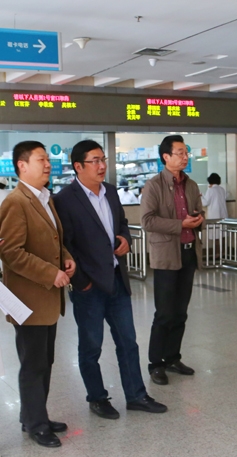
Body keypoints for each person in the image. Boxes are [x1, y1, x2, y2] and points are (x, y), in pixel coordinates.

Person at [53, 140, 167, 420]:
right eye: (94, 161)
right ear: (78, 166)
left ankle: (136, 395)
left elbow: (122, 225)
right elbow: (65, 245)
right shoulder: (64, 200)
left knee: (128, 341)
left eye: (103, 159)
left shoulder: (112, 192)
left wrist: (126, 239)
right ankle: (97, 397)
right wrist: (82, 282)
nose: (101, 165)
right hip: (89, 286)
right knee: (91, 346)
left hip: (117, 279)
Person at [0, 141, 76, 448]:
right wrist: (50, 273)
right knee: (33, 364)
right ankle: (36, 424)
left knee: (45, 361)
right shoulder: (15, 202)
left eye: (48, 159)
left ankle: (33, 415)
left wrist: (66, 257)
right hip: (29, 300)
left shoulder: (45, 198)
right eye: (41, 159)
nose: (48, 164)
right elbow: (10, 252)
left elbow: (53, 241)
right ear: (22, 165)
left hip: (47, 299)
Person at [141, 135, 204, 385]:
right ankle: (156, 364)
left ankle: (173, 357)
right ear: (166, 157)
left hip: (188, 252)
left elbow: (199, 210)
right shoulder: (153, 185)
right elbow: (147, 221)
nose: (185, 157)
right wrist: (180, 224)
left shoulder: (191, 184)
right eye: (180, 153)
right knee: (165, 313)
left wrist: (199, 219)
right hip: (166, 255)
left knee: (180, 312)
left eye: (186, 152)